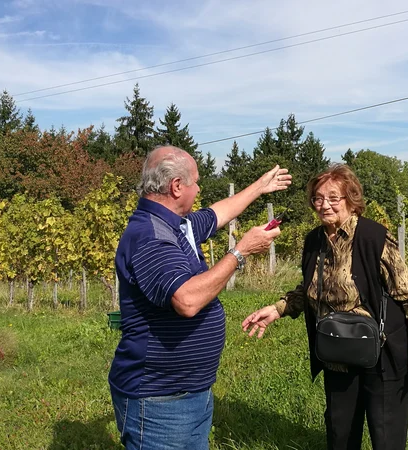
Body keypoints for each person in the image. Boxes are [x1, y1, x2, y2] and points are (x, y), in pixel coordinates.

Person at [242, 164, 408, 450]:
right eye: (318, 198)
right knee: (340, 433)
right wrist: (278, 309)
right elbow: (309, 289)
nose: (324, 205)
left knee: (387, 436)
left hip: (381, 353)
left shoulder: (373, 237)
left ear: (351, 199)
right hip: (337, 351)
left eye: (334, 198)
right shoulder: (313, 241)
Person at [109, 145, 292, 450]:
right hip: (159, 402)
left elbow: (219, 212)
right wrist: (240, 251)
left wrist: (260, 187)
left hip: (186, 393)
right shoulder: (151, 235)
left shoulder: (177, 225)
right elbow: (187, 301)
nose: (199, 189)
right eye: (195, 182)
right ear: (177, 187)